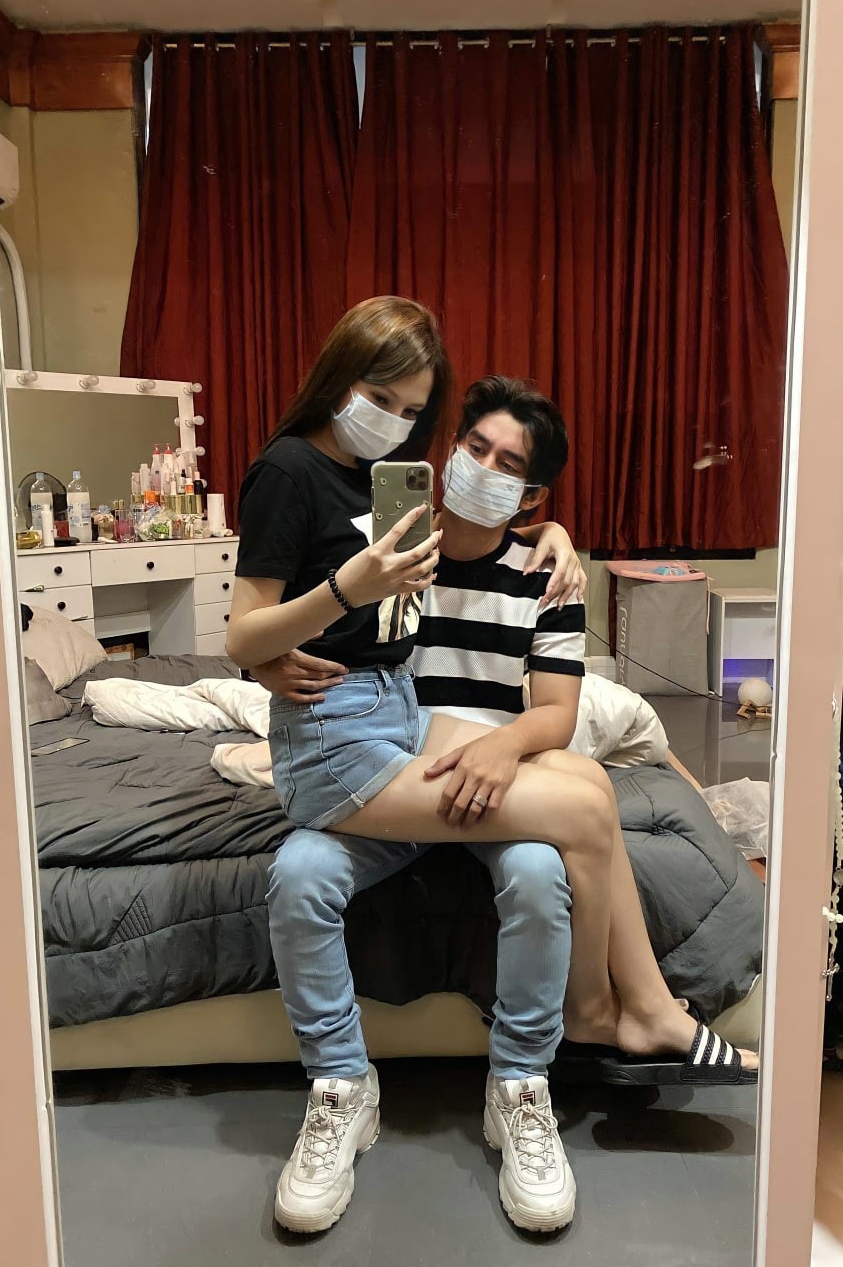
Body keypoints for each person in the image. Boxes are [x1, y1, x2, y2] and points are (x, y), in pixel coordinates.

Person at [229, 349, 758, 1234]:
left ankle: (522, 1083)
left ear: (532, 494)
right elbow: (285, 615)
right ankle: (351, 1084)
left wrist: (505, 746)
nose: (482, 467)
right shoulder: (391, 545)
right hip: (385, 768)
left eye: (509, 464)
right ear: (446, 449)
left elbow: (556, 713)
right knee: (300, 873)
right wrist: (269, 660)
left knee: (547, 862)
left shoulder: (549, 573)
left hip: (490, 779)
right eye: (474, 446)